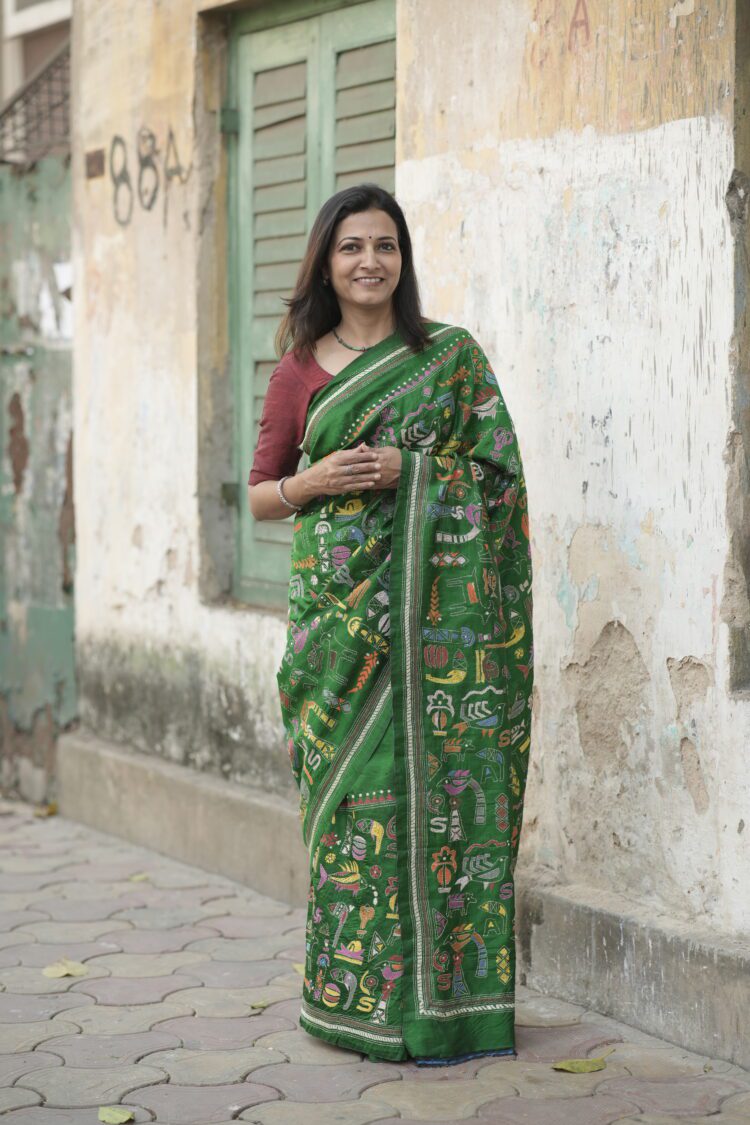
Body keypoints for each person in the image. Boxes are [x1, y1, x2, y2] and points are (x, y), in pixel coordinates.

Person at [248, 183, 532, 1065]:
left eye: (386, 246)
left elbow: (498, 481)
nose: (370, 261)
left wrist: (414, 469)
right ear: (325, 264)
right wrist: (314, 482)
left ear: (402, 261)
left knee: (451, 816)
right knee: (348, 822)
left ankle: (454, 1014)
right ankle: (356, 1006)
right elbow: (258, 494)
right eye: (351, 247)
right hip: (340, 646)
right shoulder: (298, 368)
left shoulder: (451, 358)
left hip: (441, 647)